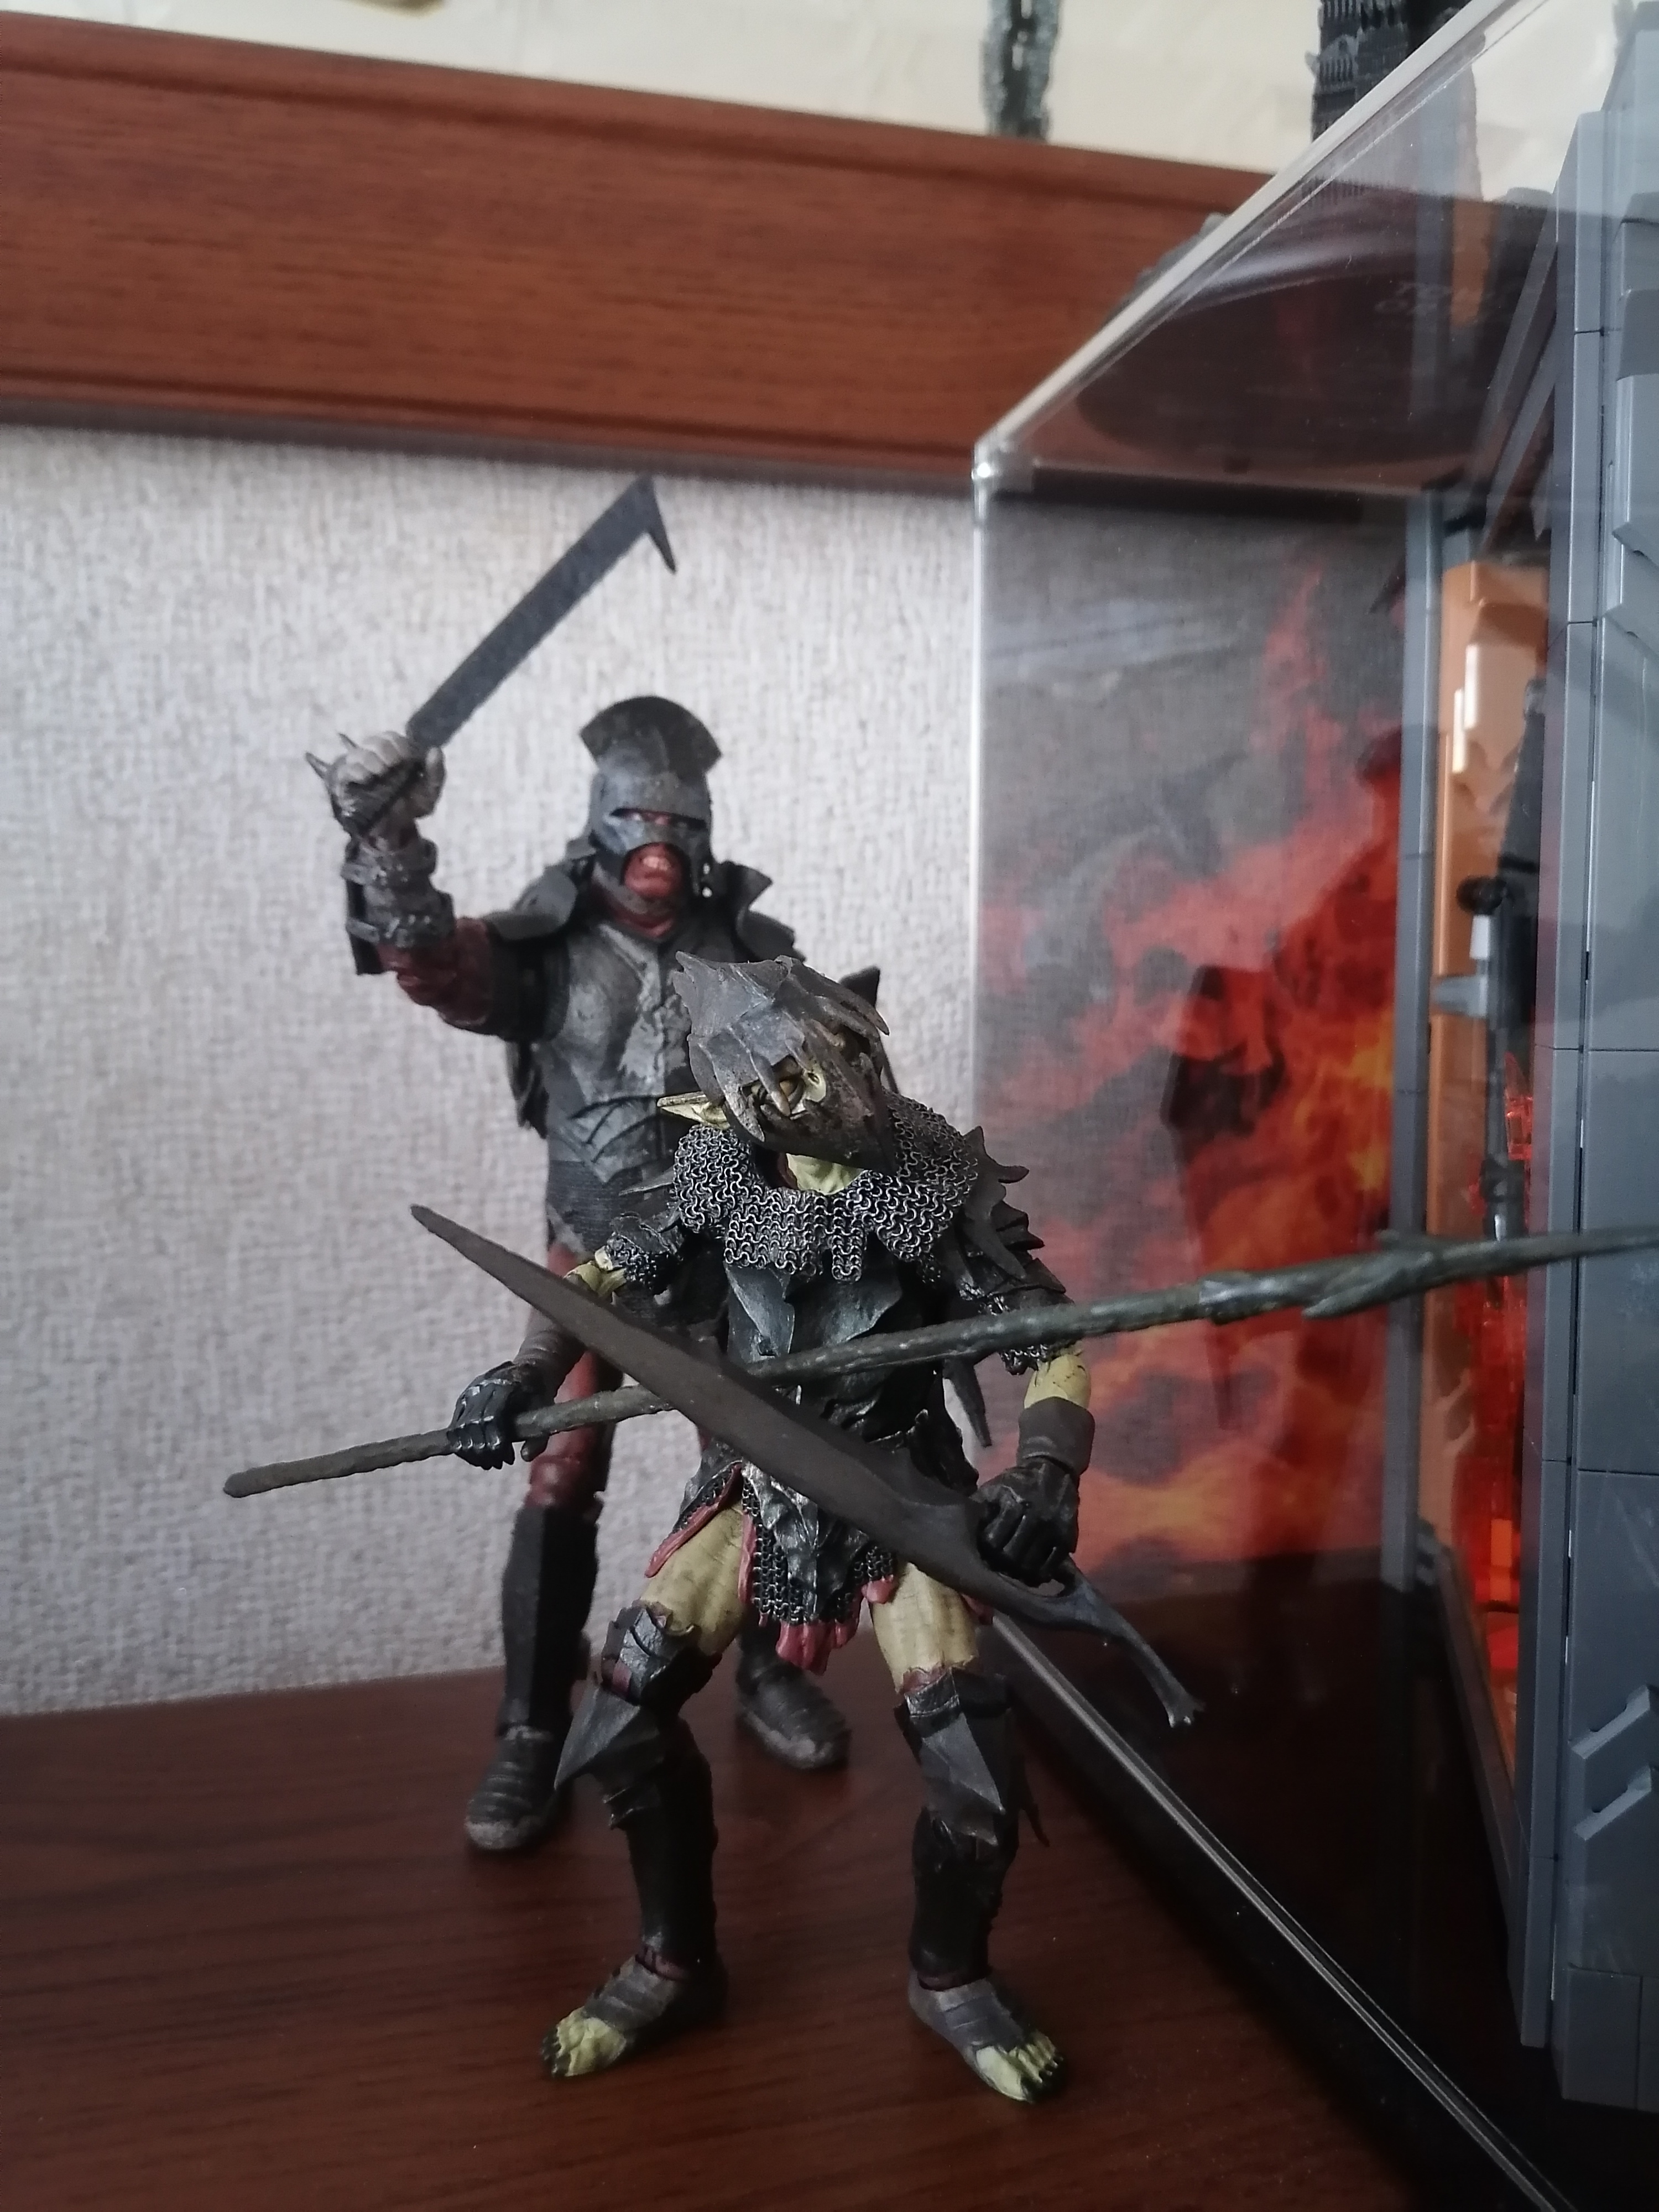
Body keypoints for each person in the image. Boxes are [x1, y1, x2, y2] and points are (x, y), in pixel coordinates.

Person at [447, 954, 1091, 2103]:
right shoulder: (716, 1174)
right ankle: (673, 1960)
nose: (838, 1088)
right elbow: (588, 1285)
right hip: (755, 1489)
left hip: (902, 1495)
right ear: (745, 1095)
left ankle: (950, 1976)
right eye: (798, 1074)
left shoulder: (934, 1174)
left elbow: (1052, 1342)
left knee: (974, 1763)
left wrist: (1044, 1474)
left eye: (847, 1054)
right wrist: (525, 1374)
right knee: (623, 1711)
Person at [315, 700, 852, 1853]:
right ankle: (530, 1725)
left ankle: (768, 1668)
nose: (658, 843)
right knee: (560, 1474)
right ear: (602, 821)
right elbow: (431, 966)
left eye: (679, 821)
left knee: (768, 1464)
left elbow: (820, 1097)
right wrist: (387, 839)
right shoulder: (550, 946)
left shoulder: (748, 951)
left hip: (730, 1259)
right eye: (638, 818)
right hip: (588, 1265)